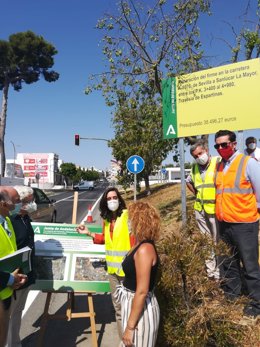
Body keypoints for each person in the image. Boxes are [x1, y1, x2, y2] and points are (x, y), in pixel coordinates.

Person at [77, 187, 135, 339]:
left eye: (114, 197)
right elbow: (104, 239)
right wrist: (88, 233)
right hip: (112, 273)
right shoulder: (107, 219)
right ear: (105, 202)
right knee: (118, 309)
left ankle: (134, 339)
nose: (112, 201)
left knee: (130, 308)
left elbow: (134, 242)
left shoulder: (127, 216)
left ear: (119, 199)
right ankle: (124, 340)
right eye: (108, 199)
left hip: (128, 273)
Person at [214, 130, 260, 318]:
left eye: (224, 145)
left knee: (250, 266)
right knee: (228, 262)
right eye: (217, 146)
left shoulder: (248, 163)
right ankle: (232, 295)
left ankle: (256, 303)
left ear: (233, 144)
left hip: (244, 224)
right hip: (224, 224)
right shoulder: (219, 166)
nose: (220, 149)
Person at [114, 201, 160, 347]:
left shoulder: (145, 249)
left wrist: (129, 327)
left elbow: (141, 291)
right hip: (133, 306)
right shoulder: (139, 244)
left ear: (139, 221)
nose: (127, 222)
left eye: (130, 218)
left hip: (142, 311)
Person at [7, 186, 37, 347]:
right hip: (15, 278)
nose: (33, 202)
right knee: (9, 316)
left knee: (17, 314)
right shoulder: (11, 221)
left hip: (26, 276)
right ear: (21, 202)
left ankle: (15, 343)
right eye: (30, 200)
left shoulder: (26, 219)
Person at [186, 140, 220, 280]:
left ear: (206, 150)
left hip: (215, 209)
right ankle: (211, 272)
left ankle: (220, 272)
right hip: (200, 209)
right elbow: (188, 181)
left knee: (217, 241)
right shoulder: (194, 167)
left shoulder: (218, 162)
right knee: (206, 243)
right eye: (195, 156)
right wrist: (197, 194)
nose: (199, 157)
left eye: (200, 153)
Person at [0, 188, 27, 346]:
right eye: (16, 201)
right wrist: (10, 278)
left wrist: (15, 278)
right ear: (3, 203)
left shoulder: (7, 221)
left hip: (7, 292)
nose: (20, 204)